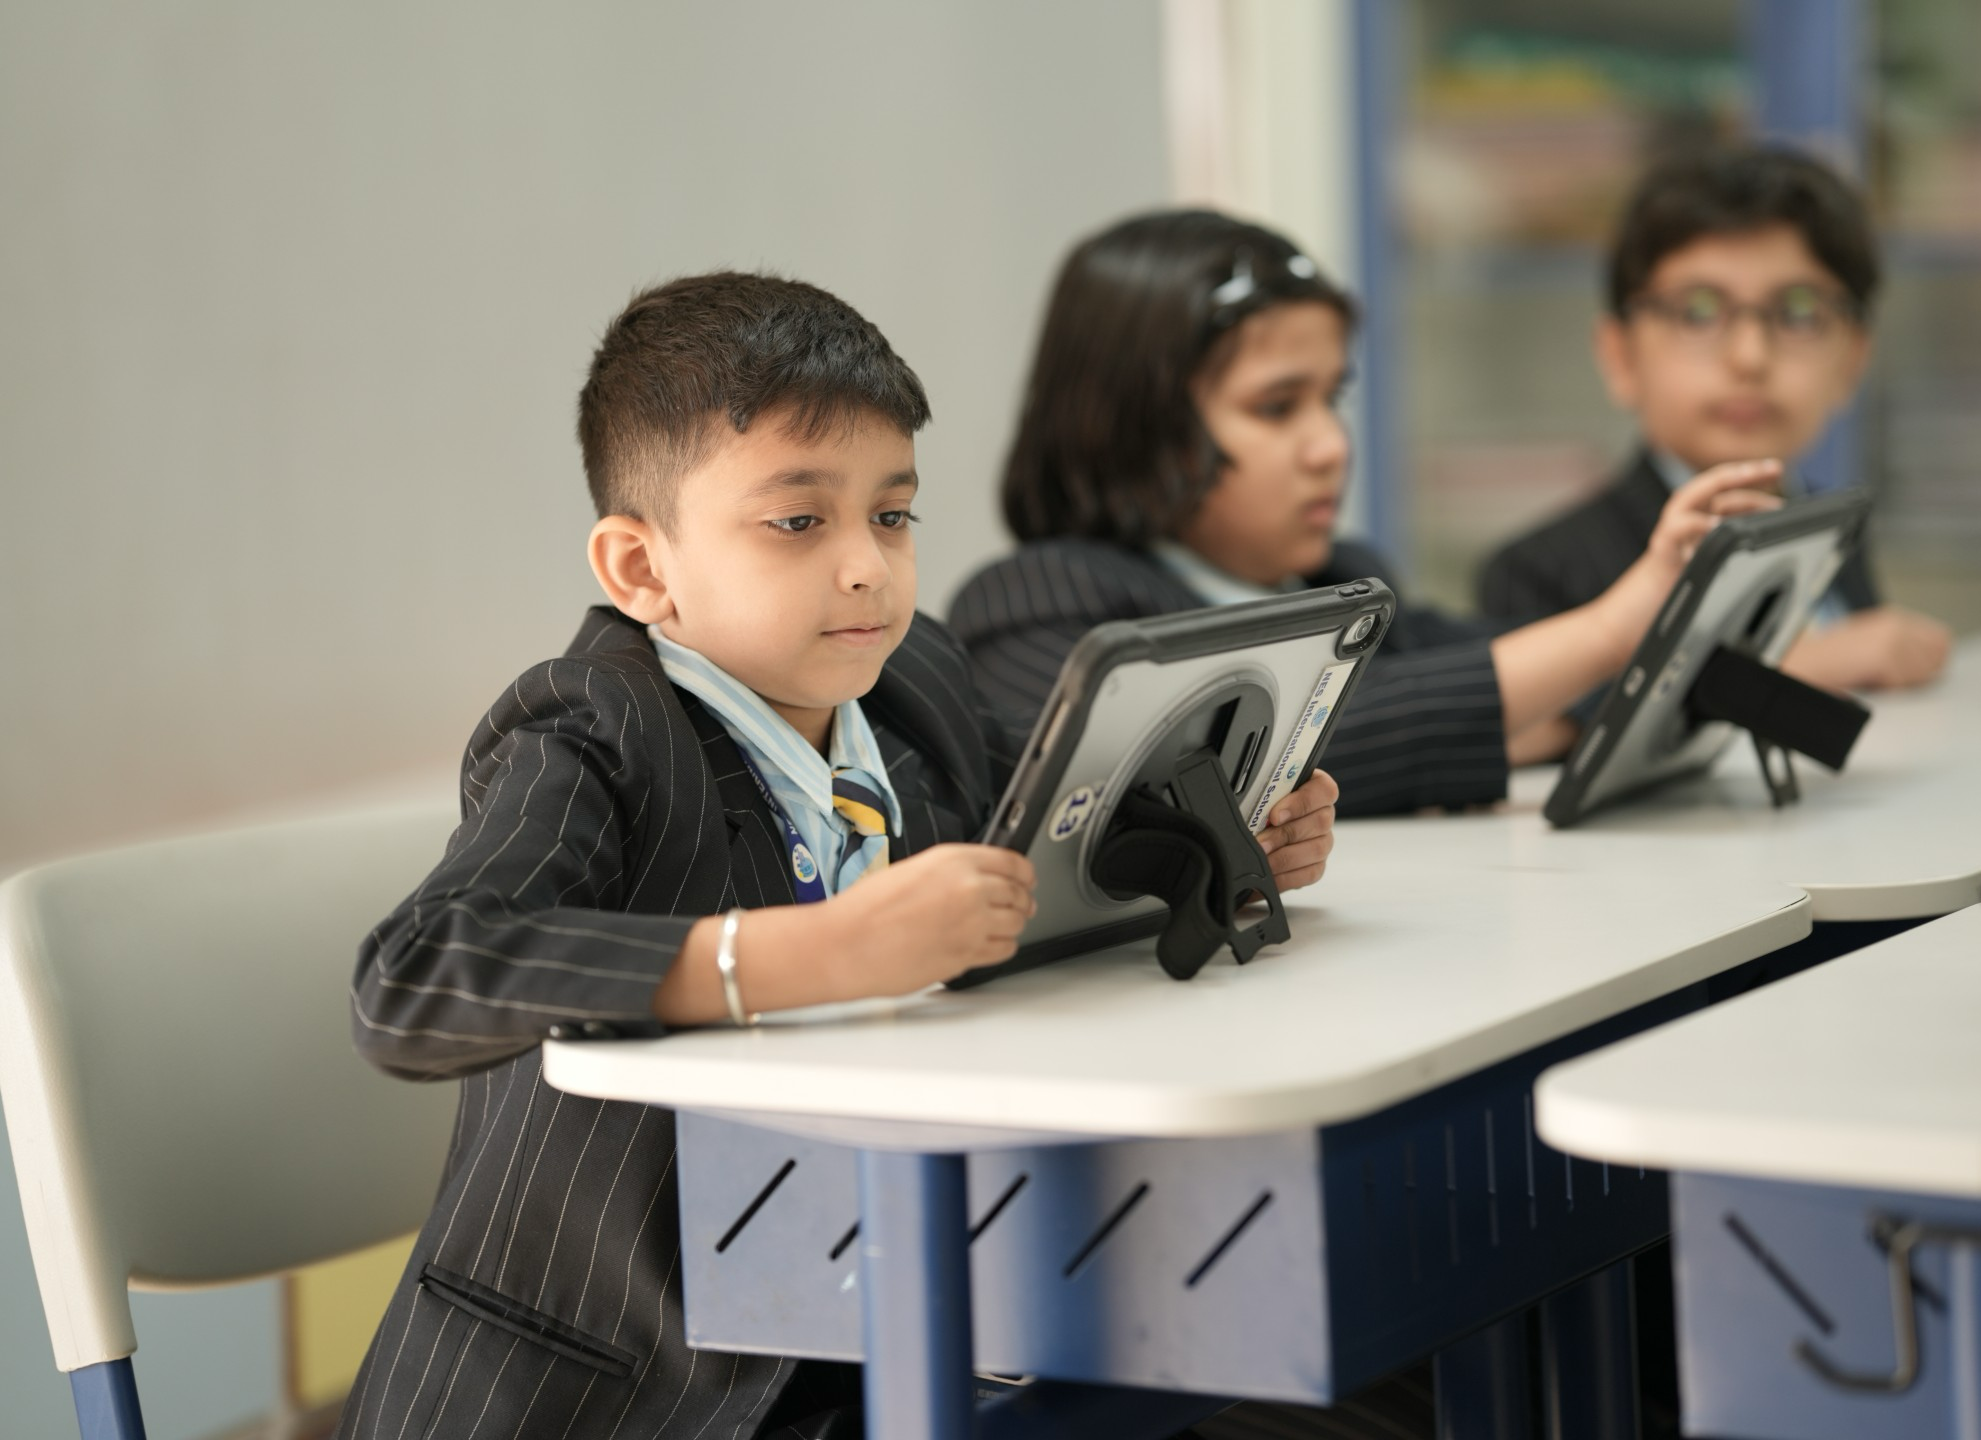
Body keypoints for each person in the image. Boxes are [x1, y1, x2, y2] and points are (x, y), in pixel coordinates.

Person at [340, 271, 1339, 1440]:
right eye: (799, 522)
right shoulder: (589, 727)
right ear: (640, 570)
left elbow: (1059, 828)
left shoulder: (915, 685)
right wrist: (808, 953)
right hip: (610, 1388)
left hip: (874, 1317)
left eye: (894, 514)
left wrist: (1218, 835)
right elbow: (414, 977)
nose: (867, 564)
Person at [948, 210, 1780, 813]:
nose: (1330, 446)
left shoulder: (1340, 578)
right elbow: (1243, 764)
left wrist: (1543, 693)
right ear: (1133, 426)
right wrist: (1604, 634)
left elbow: (1492, 676)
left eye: (1331, 398)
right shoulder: (1037, 600)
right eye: (1278, 408)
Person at [1477, 144, 1951, 692]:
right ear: (1619, 357)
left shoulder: (1834, 524)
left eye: (1798, 312)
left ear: (1852, 361)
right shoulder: (1542, 572)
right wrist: (1801, 670)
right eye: (1698, 312)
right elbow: (1550, 727)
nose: (1750, 357)